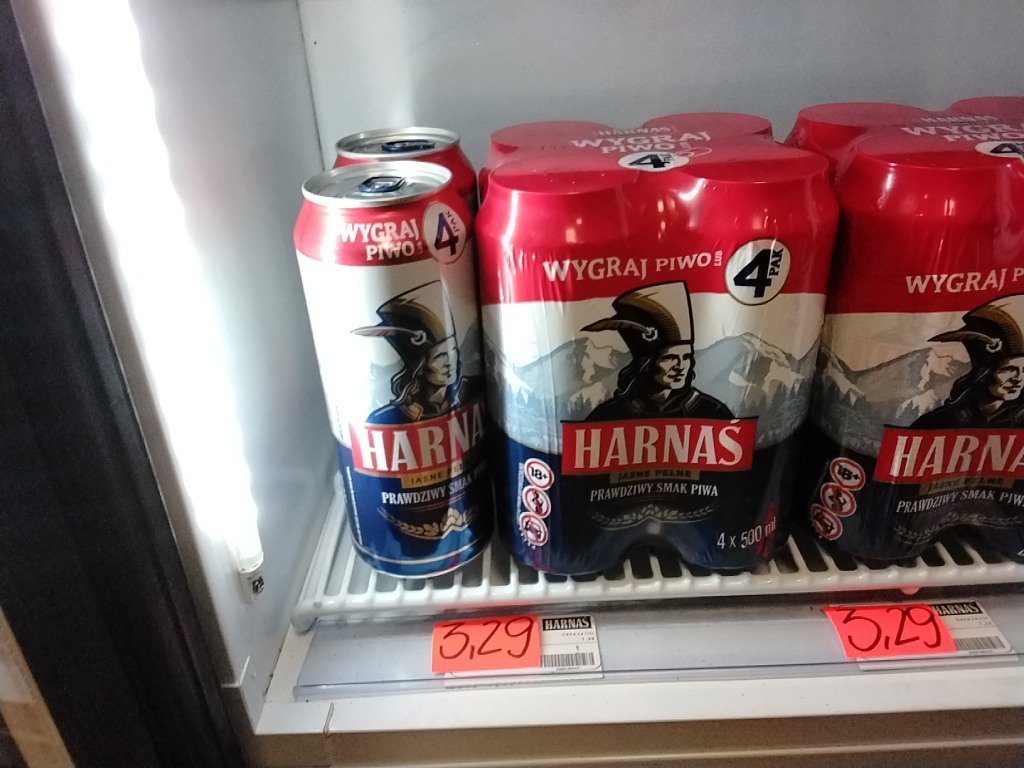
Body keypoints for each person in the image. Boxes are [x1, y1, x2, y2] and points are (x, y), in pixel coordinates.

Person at [581, 281, 733, 421]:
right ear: (646, 364)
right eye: (670, 357)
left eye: (686, 357)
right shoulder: (608, 415)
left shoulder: (714, 412)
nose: (680, 366)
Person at [352, 280, 479, 424]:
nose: (450, 362)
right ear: (419, 367)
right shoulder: (383, 418)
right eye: (440, 356)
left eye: (453, 350)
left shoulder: (473, 390)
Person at [913, 293, 1024, 429]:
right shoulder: (937, 422)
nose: (1019, 379)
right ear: (983, 373)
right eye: (1009, 369)